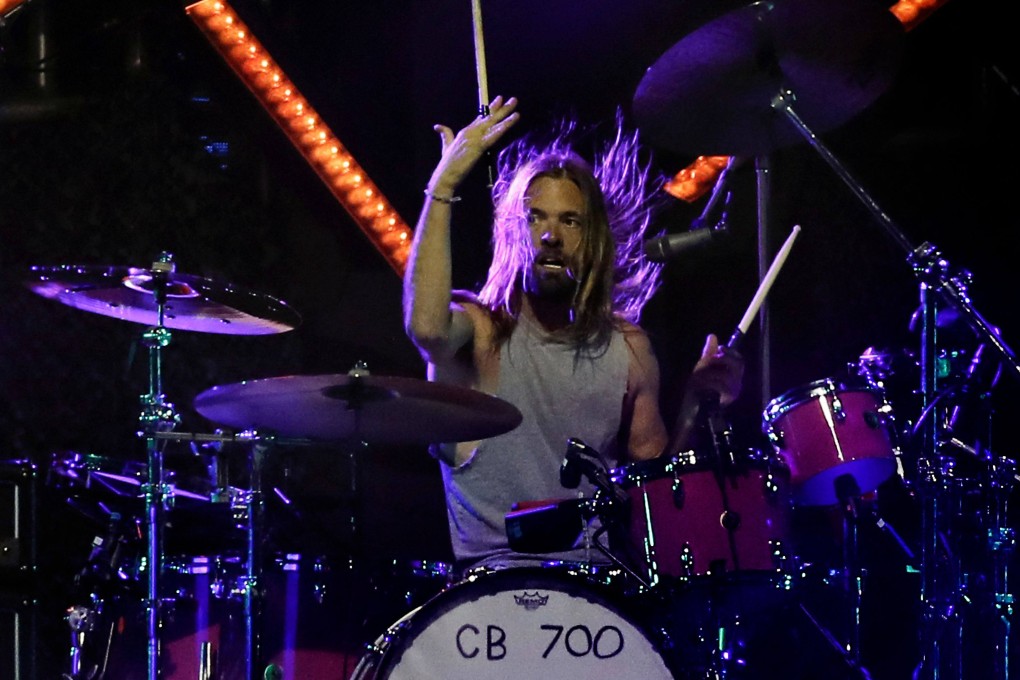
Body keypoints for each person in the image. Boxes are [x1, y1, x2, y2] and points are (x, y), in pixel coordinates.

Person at [402, 95, 744, 576]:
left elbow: (657, 494)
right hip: (487, 591)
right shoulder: (477, 330)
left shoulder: (628, 348)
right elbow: (426, 327)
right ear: (512, 232)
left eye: (569, 220)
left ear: (593, 240)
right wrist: (443, 186)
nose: (550, 234)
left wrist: (696, 404)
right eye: (536, 217)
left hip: (595, 591)